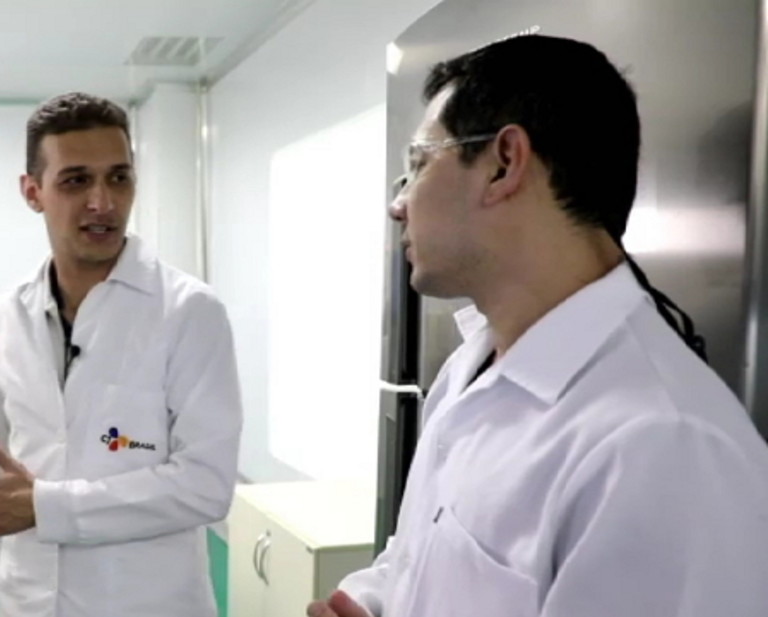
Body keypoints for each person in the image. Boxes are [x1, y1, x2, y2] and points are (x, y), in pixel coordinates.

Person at [309, 35, 768, 617]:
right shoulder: (470, 369)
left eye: (420, 163)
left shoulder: (664, 449)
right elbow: (420, 557)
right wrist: (368, 601)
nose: (398, 205)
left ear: (504, 163)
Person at [0, 92, 243, 617]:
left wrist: (46, 507)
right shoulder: (8, 316)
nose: (103, 202)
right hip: (28, 599)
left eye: (119, 177)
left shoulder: (189, 312)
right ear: (33, 192)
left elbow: (204, 486)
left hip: (147, 604)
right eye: (76, 180)